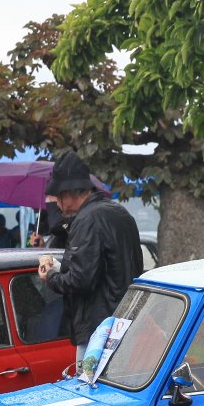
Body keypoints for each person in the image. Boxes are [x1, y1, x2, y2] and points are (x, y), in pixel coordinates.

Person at [38, 153, 142, 359]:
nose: (57, 204)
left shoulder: (87, 219)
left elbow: (80, 280)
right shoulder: (118, 212)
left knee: (89, 378)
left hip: (98, 330)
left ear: (69, 193)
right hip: (124, 320)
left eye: (58, 197)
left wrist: (50, 276)